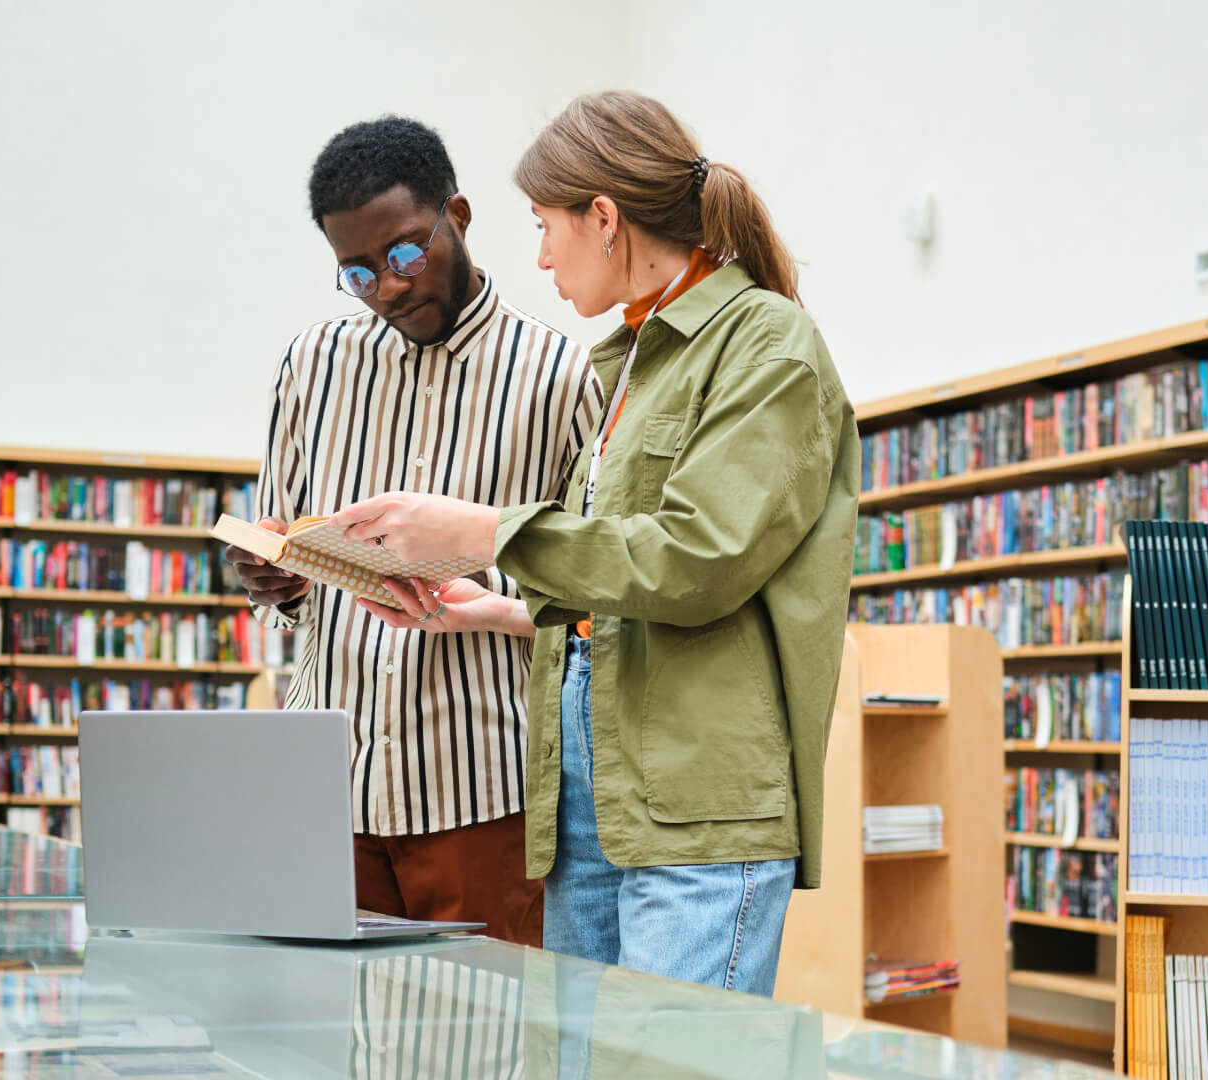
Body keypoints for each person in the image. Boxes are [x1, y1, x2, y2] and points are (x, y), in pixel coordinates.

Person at [333, 90, 859, 996]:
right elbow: (621, 580)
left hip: (697, 812)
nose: (538, 256)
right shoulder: (625, 365)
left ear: (604, 218)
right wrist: (497, 609)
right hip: (588, 803)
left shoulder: (769, 346)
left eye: (546, 227)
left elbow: (697, 563)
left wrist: (482, 530)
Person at [223, 116, 602, 947]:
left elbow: (595, 587)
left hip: (485, 792)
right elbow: (282, 542)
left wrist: (483, 588)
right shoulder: (312, 365)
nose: (388, 287)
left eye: (403, 254)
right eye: (356, 272)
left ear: (456, 218)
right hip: (328, 791)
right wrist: (274, 580)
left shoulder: (561, 376)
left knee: (491, 1049)